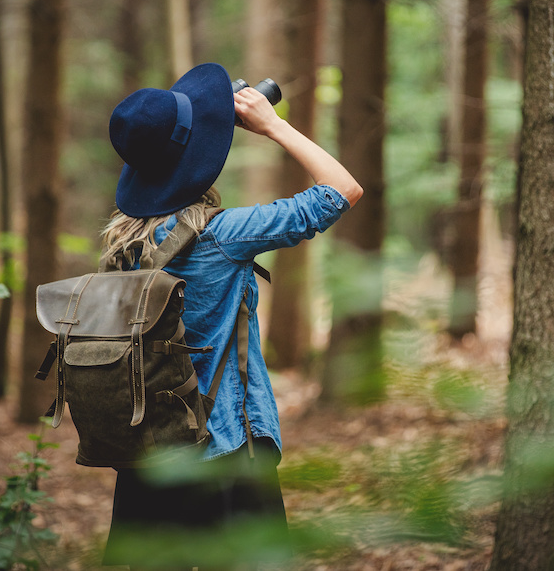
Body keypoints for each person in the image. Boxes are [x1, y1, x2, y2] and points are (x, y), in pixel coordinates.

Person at [98, 62, 362, 569]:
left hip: (146, 455)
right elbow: (341, 190)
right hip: (223, 450)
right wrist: (272, 125)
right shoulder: (226, 235)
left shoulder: (122, 243)